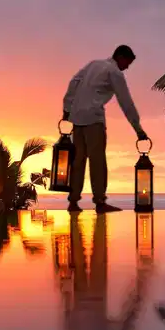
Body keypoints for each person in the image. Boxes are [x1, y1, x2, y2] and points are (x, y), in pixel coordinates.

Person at [62, 45, 148, 213]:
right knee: (97, 161)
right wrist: (138, 129)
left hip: (76, 118)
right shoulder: (115, 72)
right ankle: (100, 202)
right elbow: (126, 102)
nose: (127, 67)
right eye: (127, 63)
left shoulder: (93, 64)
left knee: (78, 161)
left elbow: (74, 82)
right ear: (121, 57)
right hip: (94, 119)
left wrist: (66, 110)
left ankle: (73, 202)